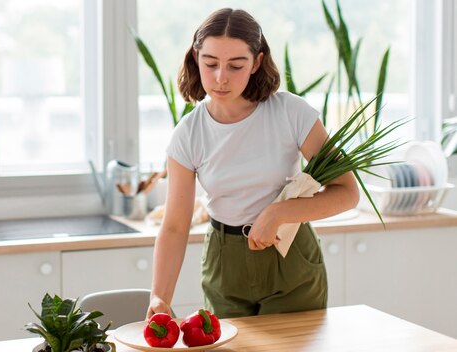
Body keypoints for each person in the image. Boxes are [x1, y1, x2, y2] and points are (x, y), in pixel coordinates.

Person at [146, 8, 359, 319]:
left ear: (257, 62)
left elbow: (347, 192)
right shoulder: (187, 135)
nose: (221, 78)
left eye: (236, 65)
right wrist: (159, 297)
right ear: (196, 57)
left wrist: (279, 212)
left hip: (290, 258)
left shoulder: (290, 113)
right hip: (224, 263)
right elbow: (176, 227)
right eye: (210, 63)